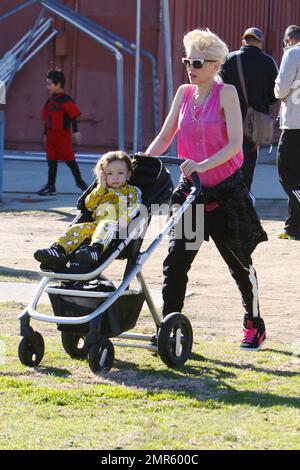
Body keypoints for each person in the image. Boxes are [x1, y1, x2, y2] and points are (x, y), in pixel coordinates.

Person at [145, 28, 268, 351]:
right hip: (191, 195)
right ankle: (171, 326)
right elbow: (165, 135)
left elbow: (235, 146)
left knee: (239, 263)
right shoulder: (184, 93)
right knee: (175, 262)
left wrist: (202, 164)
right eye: (188, 60)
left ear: (215, 65)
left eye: (198, 62)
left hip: (226, 193)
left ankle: (253, 324)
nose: (191, 67)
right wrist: (140, 162)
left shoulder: (225, 92)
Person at [34, 150, 142, 269]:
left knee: (106, 224)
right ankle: (58, 250)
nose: (115, 177)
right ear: (103, 175)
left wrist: (122, 221)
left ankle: (95, 249)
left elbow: (134, 207)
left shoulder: (132, 191)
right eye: (110, 173)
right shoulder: (101, 191)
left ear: (128, 174)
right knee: (77, 228)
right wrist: (101, 187)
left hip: (116, 227)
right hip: (96, 226)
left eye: (120, 173)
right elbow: (89, 206)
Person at [220, 27, 278, 191]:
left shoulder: (229, 59)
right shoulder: (268, 62)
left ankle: (225, 197)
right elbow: (275, 94)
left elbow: (217, 89)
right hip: (254, 124)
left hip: (228, 120)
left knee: (227, 158)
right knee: (248, 162)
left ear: (243, 41)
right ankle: (243, 197)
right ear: (260, 43)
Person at [37, 69, 87, 196]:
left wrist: (75, 131)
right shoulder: (50, 101)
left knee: (70, 160)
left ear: (58, 84)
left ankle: (81, 183)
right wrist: (45, 134)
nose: (47, 87)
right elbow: (46, 119)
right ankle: (50, 185)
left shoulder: (65, 99)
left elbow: (73, 115)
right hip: (51, 135)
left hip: (62, 135)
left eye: (49, 84)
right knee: (51, 161)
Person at [275, 25, 300, 241]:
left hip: (294, 125)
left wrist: (277, 89)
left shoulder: (292, 53)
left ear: (289, 39)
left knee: (286, 175)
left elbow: (280, 89)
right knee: (297, 177)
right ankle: (293, 227)